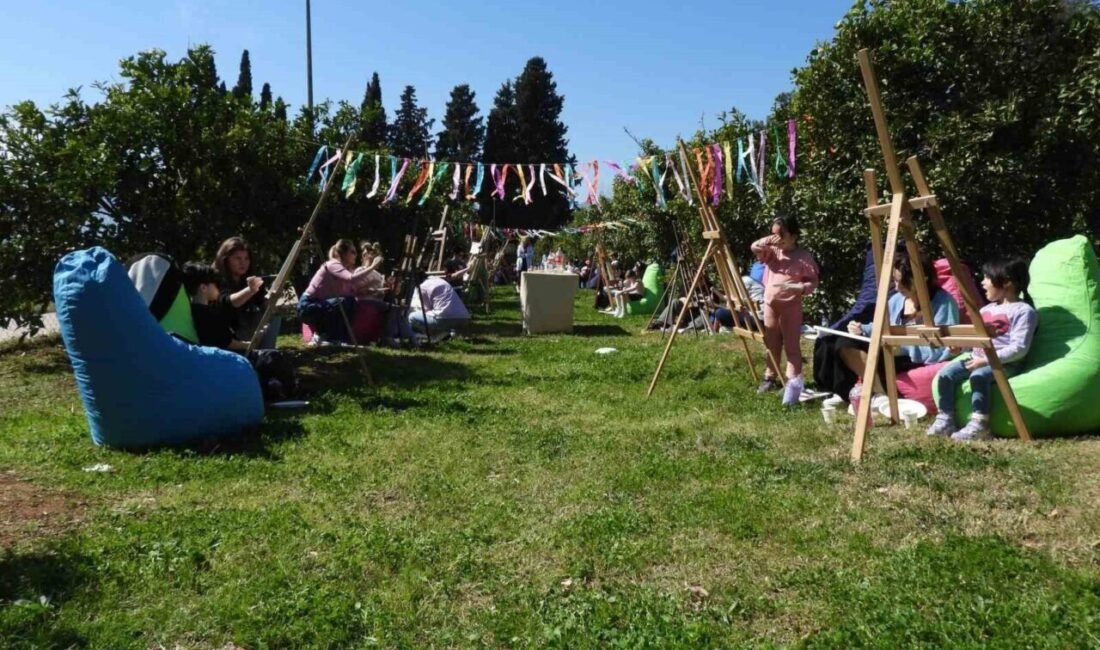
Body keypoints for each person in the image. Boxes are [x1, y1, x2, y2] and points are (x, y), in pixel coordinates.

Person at [927, 257, 1038, 441]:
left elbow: (1019, 348)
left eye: (987, 278)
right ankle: (946, 418)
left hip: (1005, 363)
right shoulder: (986, 309)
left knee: (979, 376)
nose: (982, 282)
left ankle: (980, 424)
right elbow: (975, 339)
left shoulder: (1024, 311)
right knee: (945, 374)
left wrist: (986, 361)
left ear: (1007, 282)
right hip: (976, 358)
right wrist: (961, 347)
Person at [828, 252, 960, 404]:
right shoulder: (897, 300)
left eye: (902, 282)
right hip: (893, 349)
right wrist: (862, 329)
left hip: (916, 357)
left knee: (880, 356)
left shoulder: (943, 303)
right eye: (895, 281)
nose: (897, 287)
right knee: (844, 343)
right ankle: (878, 394)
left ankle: (874, 392)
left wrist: (901, 347)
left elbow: (941, 346)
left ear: (922, 278)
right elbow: (884, 327)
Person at [751, 215, 820, 405]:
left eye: (781, 234)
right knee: (771, 342)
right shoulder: (772, 252)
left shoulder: (803, 258)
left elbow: (813, 281)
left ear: (793, 235)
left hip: (791, 306)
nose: (777, 239)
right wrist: (768, 240)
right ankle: (770, 377)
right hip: (771, 304)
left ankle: (793, 381)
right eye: (774, 234)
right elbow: (755, 247)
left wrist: (800, 288)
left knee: (791, 345)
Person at [298, 239, 373, 346]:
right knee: (346, 302)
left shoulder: (343, 270)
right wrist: (372, 266)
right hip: (307, 307)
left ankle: (339, 339)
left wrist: (365, 292)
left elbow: (351, 291)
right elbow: (351, 279)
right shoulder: (333, 264)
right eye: (353, 252)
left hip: (319, 306)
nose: (356, 255)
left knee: (350, 302)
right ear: (344, 253)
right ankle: (324, 336)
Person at [213, 236, 278, 349]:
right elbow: (229, 302)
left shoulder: (247, 278)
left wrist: (272, 301)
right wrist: (250, 290)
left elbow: (262, 303)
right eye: (237, 258)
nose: (243, 263)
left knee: (274, 317)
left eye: (246, 258)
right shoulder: (216, 279)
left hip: (245, 326)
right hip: (226, 333)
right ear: (226, 259)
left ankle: (266, 353)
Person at [408, 275, 471, 342]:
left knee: (412, 317)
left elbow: (426, 309)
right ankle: (446, 333)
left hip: (444, 318)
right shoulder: (441, 281)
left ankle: (434, 335)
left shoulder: (422, 287)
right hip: (463, 317)